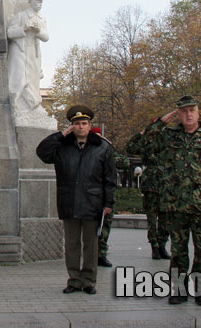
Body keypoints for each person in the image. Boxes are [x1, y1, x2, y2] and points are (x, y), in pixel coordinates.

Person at [138, 95, 201, 306]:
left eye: (192, 110)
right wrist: (161, 122)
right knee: (178, 251)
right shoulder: (168, 135)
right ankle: (178, 290)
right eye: (184, 111)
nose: (188, 114)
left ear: (198, 113)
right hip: (175, 204)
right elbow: (142, 144)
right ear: (178, 114)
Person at [36, 106, 116, 295]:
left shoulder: (102, 147)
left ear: (90, 125)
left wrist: (108, 203)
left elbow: (110, 178)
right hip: (69, 202)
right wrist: (60, 135)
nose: (81, 127)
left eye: (84, 123)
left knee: (90, 245)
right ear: (71, 126)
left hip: (92, 203)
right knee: (71, 245)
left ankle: (88, 281)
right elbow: (42, 152)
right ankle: (74, 280)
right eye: (77, 124)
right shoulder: (62, 146)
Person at [127, 120, 170, 260]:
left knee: (165, 218)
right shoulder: (145, 144)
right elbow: (130, 147)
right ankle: (155, 246)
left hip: (166, 185)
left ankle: (162, 245)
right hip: (151, 186)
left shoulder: (167, 142)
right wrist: (140, 134)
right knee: (152, 218)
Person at [7, 0, 49, 115]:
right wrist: (24, 29)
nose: (40, 4)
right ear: (31, 2)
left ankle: (31, 105)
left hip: (34, 52)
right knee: (19, 79)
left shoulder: (42, 19)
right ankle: (16, 104)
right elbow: (10, 32)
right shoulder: (21, 16)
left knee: (33, 79)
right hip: (20, 50)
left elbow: (46, 37)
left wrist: (38, 31)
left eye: (41, 2)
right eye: (37, 1)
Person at [91, 125, 116, 268]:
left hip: (106, 193)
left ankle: (101, 253)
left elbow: (121, 163)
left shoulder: (106, 148)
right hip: (93, 194)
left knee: (105, 226)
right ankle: (93, 254)